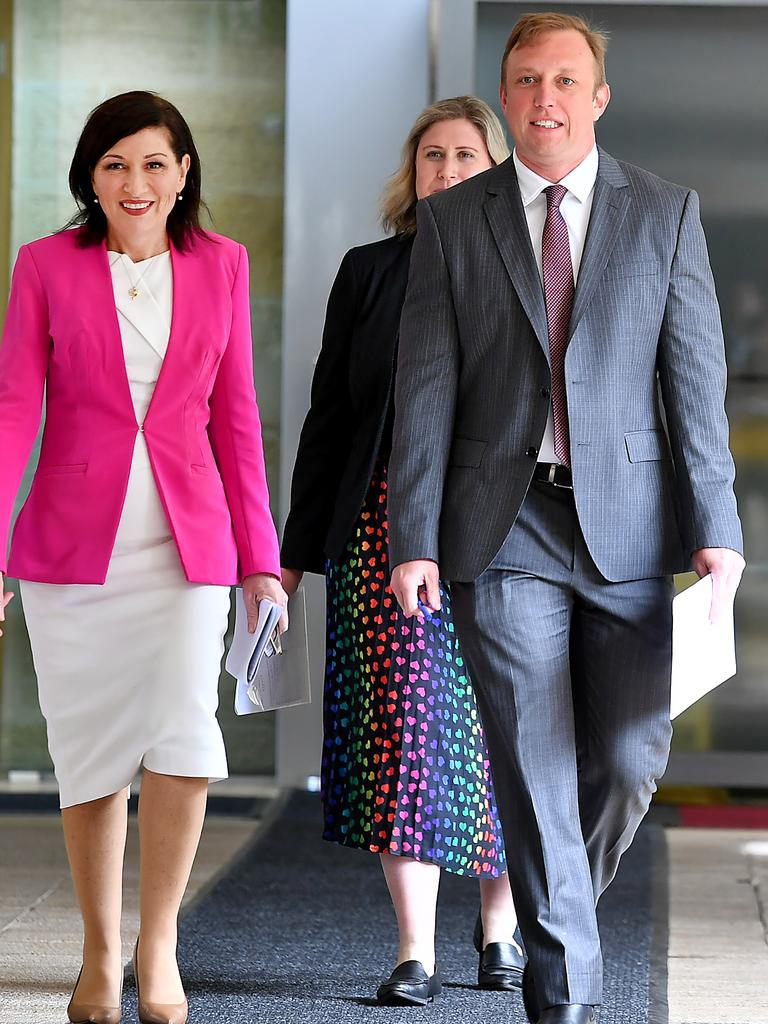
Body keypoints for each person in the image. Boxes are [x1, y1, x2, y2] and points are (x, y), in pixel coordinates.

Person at [388, 14, 744, 1024]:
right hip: (502, 532)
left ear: (598, 98)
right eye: (526, 79)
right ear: (505, 97)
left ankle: (558, 907)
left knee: (630, 761)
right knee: (536, 766)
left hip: (630, 532)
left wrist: (717, 522)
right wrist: (414, 536)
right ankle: (564, 1001)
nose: (545, 96)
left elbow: (695, 384)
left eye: (565, 79)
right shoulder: (459, 221)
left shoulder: (665, 213)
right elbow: (424, 388)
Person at [0, 91, 287, 1024]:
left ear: (184, 172)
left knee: (181, 731)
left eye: (154, 163)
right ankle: (97, 954)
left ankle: (158, 948)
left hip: (186, 542)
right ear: (91, 174)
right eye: (116, 164)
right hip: (71, 552)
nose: (136, 182)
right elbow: (13, 411)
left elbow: (236, 417)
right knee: (86, 751)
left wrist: (260, 558)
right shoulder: (44, 265)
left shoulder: (224, 266)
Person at [280, 96, 524, 1007]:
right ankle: (414, 949)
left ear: (497, 170)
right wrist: (296, 550)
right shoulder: (371, 273)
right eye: (433, 156)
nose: (448, 171)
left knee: (507, 727)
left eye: (467, 155)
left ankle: (500, 925)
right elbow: (331, 419)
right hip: (382, 532)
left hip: (505, 529)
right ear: (411, 173)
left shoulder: (530, 269)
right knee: (404, 737)